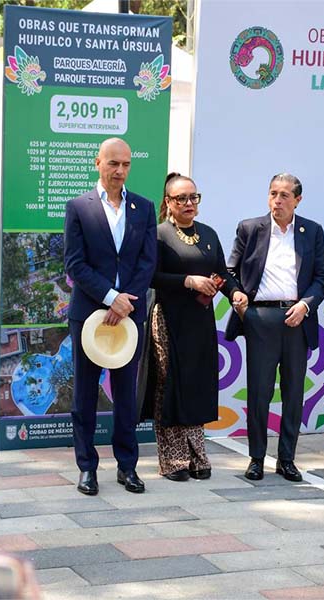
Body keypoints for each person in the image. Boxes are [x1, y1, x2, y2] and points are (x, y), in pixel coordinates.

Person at [64, 137, 157, 494]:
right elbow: (75, 263)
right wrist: (110, 297)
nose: (120, 171)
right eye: (113, 163)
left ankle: (127, 466)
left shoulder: (144, 207)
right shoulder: (78, 207)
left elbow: (147, 261)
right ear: (98, 162)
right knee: (85, 394)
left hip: (129, 315)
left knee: (126, 394)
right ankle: (86, 467)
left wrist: (125, 301)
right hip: (90, 313)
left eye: (126, 164)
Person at [226, 173, 324, 482]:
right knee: (259, 392)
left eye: (285, 195)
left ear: (298, 200)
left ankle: (287, 459)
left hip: (297, 318)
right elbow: (230, 271)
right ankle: (256, 458)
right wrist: (236, 295)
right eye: (273, 193)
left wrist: (306, 305)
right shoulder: (250, 228)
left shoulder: (312, 231)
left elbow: (322, 277)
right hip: (260, 318)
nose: (278, 200)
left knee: (293, 392)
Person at [143, 173, 242, 481]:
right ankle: (173, 459)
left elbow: (222, 273)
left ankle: (197, 455)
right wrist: (187, 281)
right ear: (168, 202)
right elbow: (150, 277)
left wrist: (235, 293)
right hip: (168, 319)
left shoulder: (208, 233)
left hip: (200, 321)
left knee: (197, 384)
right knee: (171, 384)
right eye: (181, 198)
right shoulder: (158, 235)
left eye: (193, 197)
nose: (189, 203)